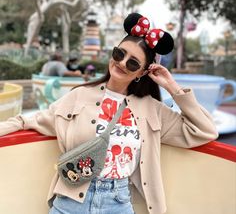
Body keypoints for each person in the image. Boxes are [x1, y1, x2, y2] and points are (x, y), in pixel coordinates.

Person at [0, 13, 218, 214]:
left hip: (118, 203)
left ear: (142, 72)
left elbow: (205, 130)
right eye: (119, 53)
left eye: (133, 63)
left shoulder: (152, 109)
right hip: (70, 201)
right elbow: (28, 120)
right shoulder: (79, 96)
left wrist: (172, 87)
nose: (122, 63)